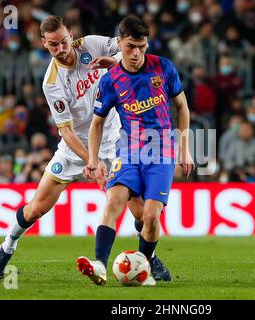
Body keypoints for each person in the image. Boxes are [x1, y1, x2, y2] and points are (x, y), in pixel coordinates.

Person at [0, 15, 171, 282]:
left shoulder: (93, 45)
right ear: (44, 44)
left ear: (70, 34)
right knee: (36, 209)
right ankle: (6, 247)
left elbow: (131, 50)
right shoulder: (52, 82)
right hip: (76, 148)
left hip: (116, 140)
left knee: (142, 213)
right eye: (53, 45)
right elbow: (66, 131)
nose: (61, 49)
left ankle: (149, 259)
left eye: (64, 41)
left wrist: (116, 61)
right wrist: (92, 162)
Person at [76, 15, 194, 286]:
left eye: (141, 46)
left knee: (149, 218)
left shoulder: (163, 67)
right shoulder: (111, 80)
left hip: (161, 152)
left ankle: (143, 264)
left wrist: (185, 150)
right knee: (113, 202)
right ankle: (99, 265)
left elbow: (183, 107)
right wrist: (93, 159)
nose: (136, 53)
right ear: (119, 43)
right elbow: (96, 125)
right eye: (130, 46)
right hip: (128, 153)